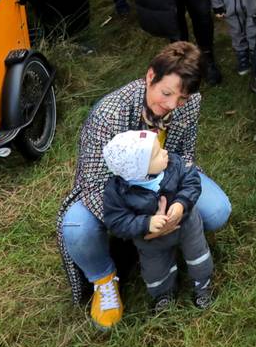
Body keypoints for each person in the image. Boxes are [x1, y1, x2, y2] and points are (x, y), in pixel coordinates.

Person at [57, 42, 231, 330]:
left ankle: (176, 242)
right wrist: (143, 224)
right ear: (150, 76)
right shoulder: (109, 114)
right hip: (116, 196)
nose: (173, 105)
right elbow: (94, 183)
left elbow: (186, 156)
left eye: (183, 98)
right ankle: (104, 279)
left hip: (168, 181)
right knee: (76, 226)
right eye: (166, 93)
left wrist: (179, 203)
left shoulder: (189, 103)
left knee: (218, 211)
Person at [101, 130, 213, 312]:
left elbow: (191, 180)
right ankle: (163, 293)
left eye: (160, 147)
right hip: (151, 239)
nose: (165, 152)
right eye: (156, 153)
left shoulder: (174, 163)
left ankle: (202, 285)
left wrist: (181, 203)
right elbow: (117, 221)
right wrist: (146, 223)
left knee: (198, 256)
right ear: (138, 169)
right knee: (155, 269)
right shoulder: (118, 192)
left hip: (186, 225)